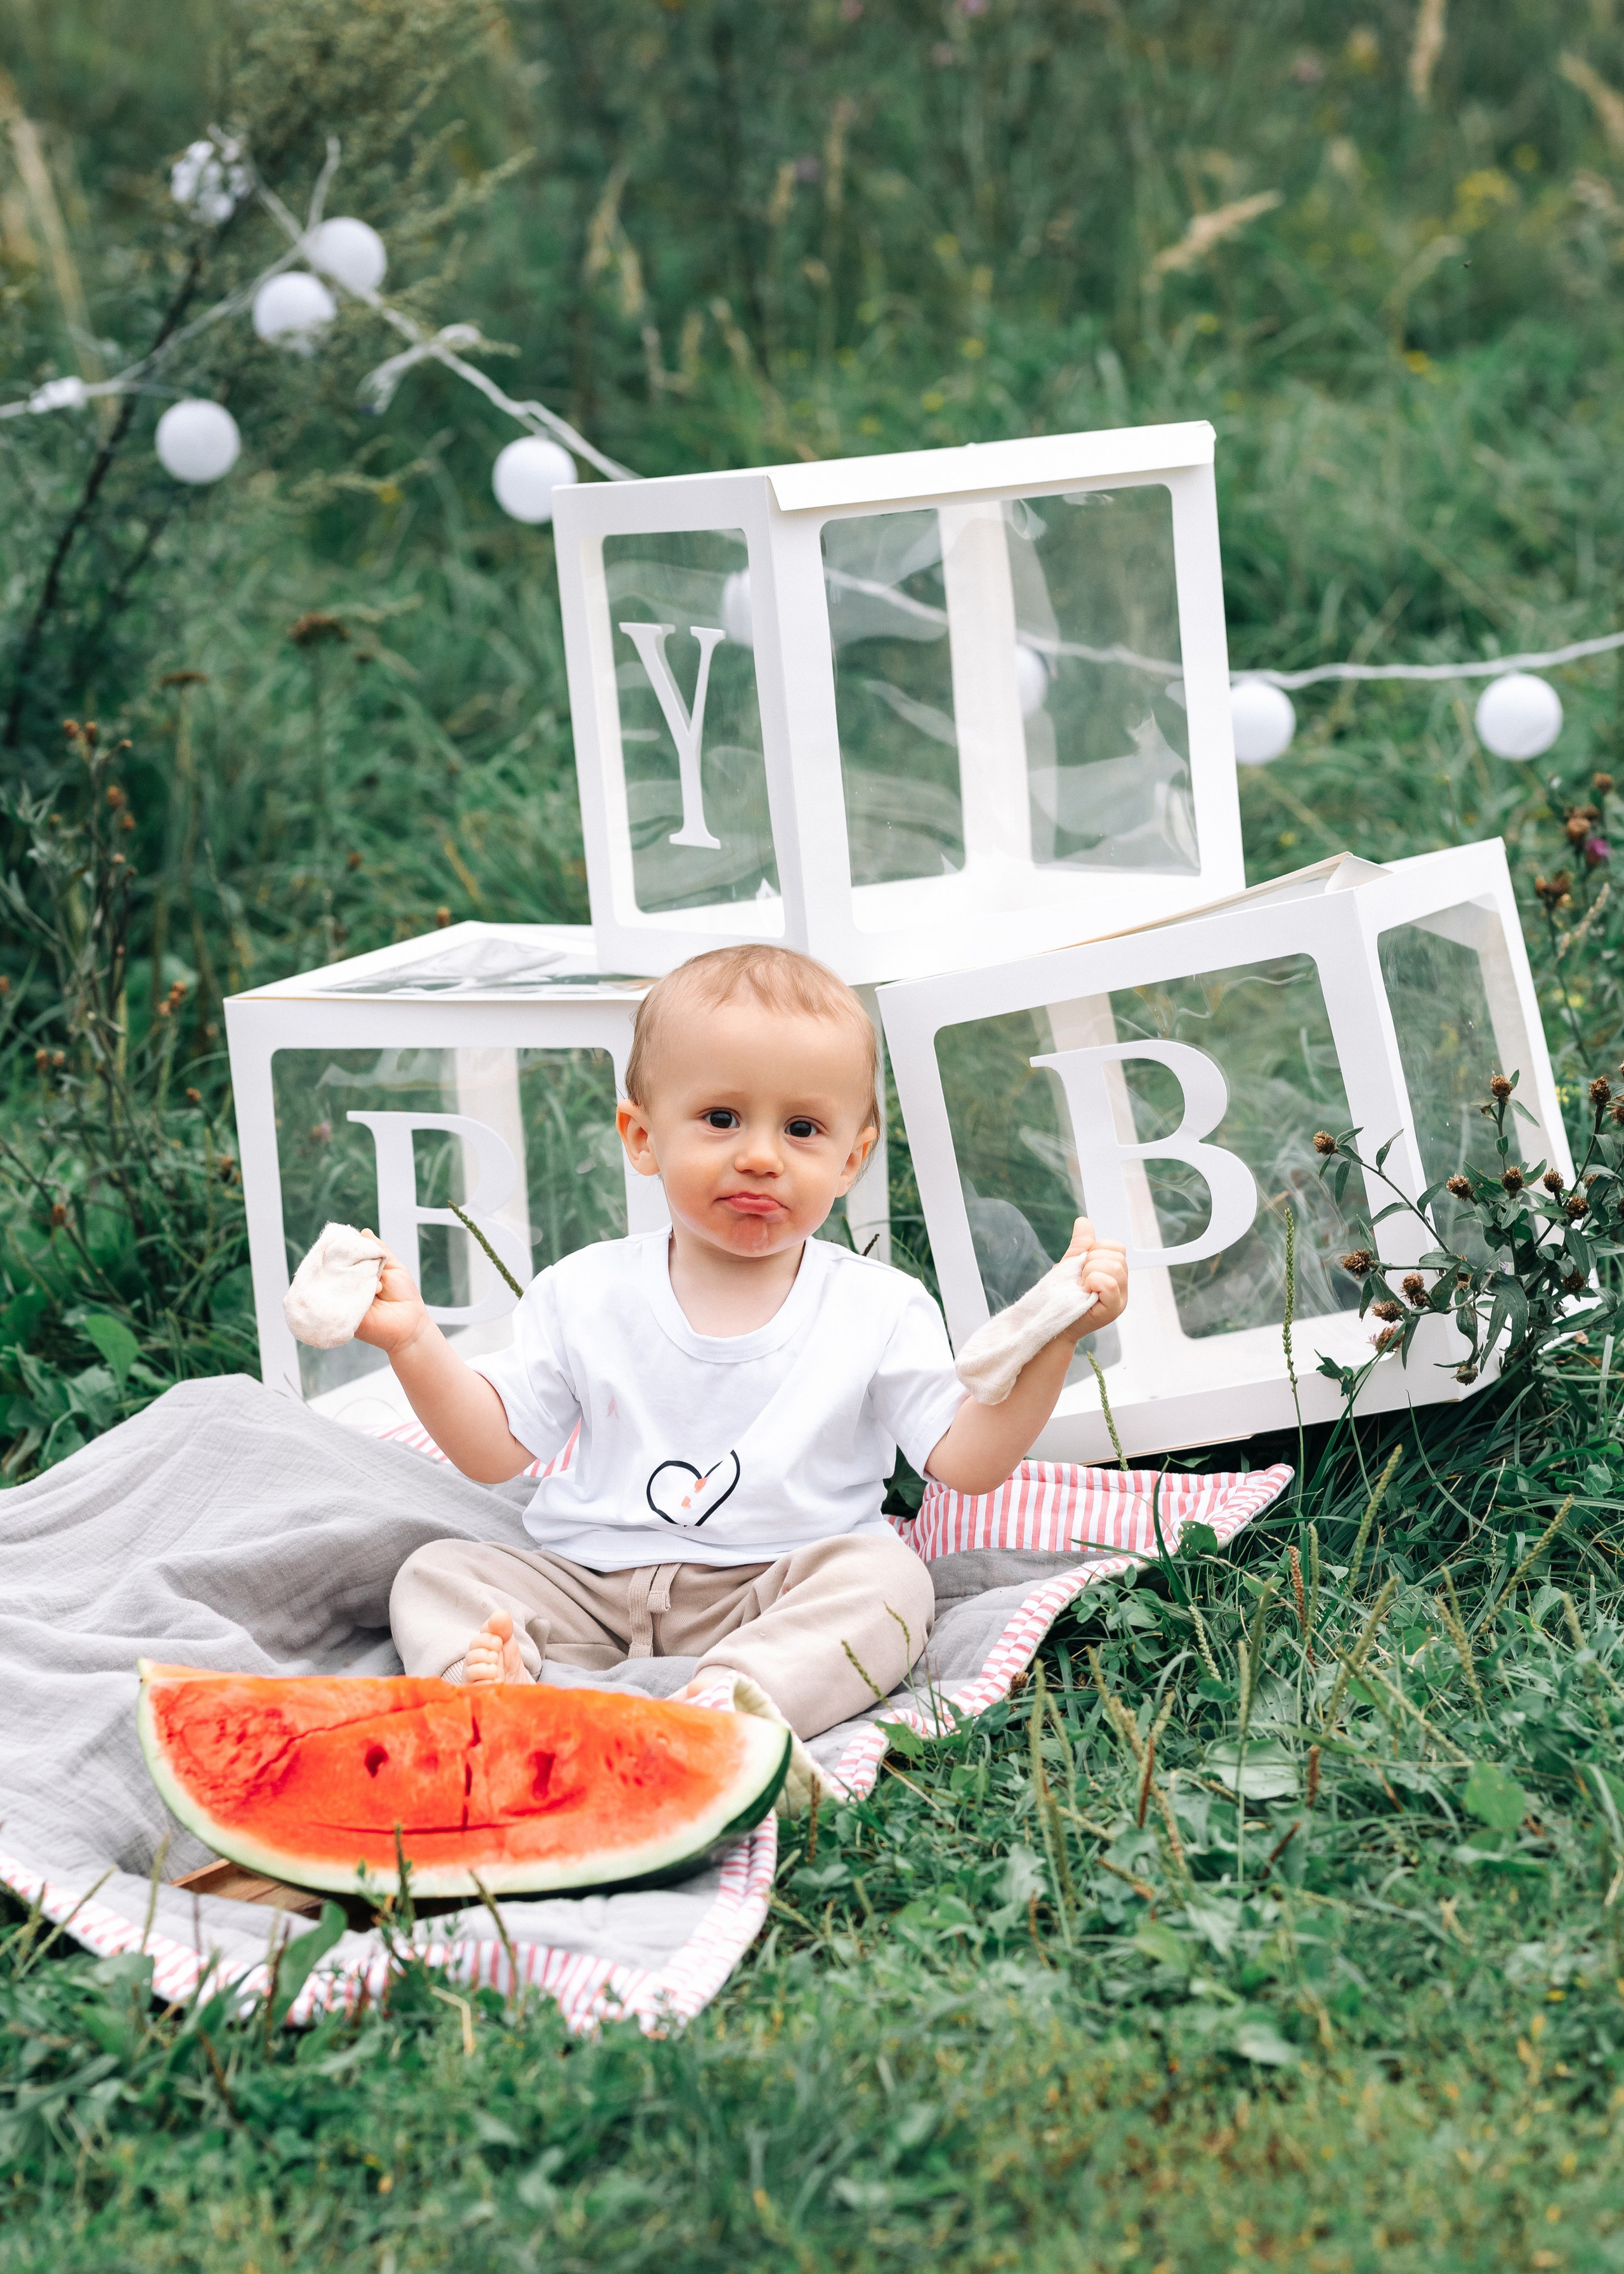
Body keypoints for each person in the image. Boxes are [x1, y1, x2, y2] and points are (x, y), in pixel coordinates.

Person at [364, 945, 1128, 1742]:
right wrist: (414, 1339)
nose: (760, 1155)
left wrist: (1054, 1340)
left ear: (849, 1160)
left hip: (780, 1588)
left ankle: (736, 1706)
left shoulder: (875, 1304)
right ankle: (487, 1690)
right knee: (439, 1572)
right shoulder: (584, 1291)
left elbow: (968, 1462)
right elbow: (494, 1452)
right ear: (642, 1136)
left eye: (802, 1128)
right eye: (722, 1118)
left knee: (891, 1583)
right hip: (586, 1585)